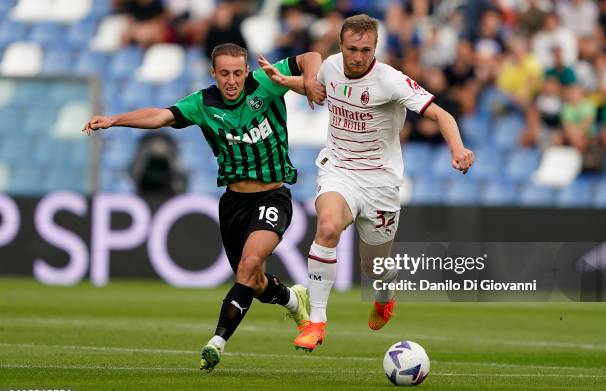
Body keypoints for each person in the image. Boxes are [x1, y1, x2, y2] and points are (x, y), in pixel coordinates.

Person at [82, 43, 326, 369]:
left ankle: (217, 342)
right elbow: (160, 116)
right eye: (224, 73)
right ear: (213, 73)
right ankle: (294, 300)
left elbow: (311, 57)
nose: (231, 80)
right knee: (252, 281)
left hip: (273, 196)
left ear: (245, 71)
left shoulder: (267, 81)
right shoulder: (203, 103)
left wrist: (309, 79)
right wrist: (114, 120)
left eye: (238, 73)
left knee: (249, 263)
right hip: (233, 203)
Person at [259, 14, 475, 352]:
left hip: (380, 184)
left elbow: (441, 114)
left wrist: (458, 148)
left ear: (376, 47)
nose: (359, 57)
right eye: (352, 49)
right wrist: (285, 80)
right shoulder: (330, 67)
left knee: (373, 268)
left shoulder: (391, 81)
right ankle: (316, 321)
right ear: (341, 46)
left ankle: (386, 290)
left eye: (366, 50)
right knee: (327, 227)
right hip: (338, 170)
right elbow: (316, 87)